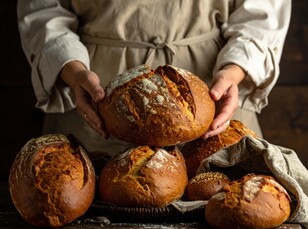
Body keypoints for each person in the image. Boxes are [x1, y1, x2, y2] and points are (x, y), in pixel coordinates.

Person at [17, 0, 291, 157]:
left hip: (214, 96)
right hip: (92, 96)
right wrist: (73, 72)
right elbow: (43, 11)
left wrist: (234, 70)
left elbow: (262, 13)